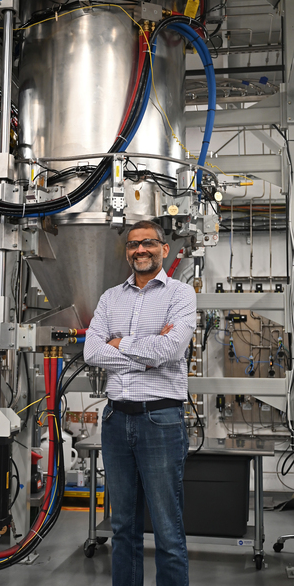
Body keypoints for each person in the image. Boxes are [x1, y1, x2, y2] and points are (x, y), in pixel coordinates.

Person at [83, 219, 196, 586]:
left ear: (164, 248)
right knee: (123, 526)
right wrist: (147, 348)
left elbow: (171, 348)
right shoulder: (110, 297)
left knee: (167, 526)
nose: (140, 250)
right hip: (116, 419)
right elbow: (91, 352)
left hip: (160, 419)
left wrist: (120, 343)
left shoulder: (180, 294)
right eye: (133, 245)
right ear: (127, 252)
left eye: (148, 243)